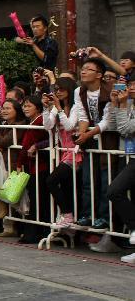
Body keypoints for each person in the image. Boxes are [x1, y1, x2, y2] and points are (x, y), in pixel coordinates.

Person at [70, 57, 114, 233]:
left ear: (99, 74)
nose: (83, 71)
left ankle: (104, 217)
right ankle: (88, 215)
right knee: (88, 180)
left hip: (108, 141)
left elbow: (107, 121)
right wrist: (82, 134)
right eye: (83, 68)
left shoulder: (109, 91)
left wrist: (87, 134)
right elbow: (83, 116)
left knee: (105, 181)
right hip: (90, 141)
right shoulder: (79, 91)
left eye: (89, 69)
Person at [41, 77, 83, 230]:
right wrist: (47, 108)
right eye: (57, 89)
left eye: (62, 89)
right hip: (64, 152)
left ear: (70, 90)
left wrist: (59, 108)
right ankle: (69, 219)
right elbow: (48, 125)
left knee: (51, 180)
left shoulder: (76, 107)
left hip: (76, 152)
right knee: (66, 186)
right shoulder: (55, 107)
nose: (58, 92)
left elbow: (69, 126)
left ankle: (68, 215)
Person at [14, 96, 50, 244]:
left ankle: (37, 232)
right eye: (24, 106)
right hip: (32, 165)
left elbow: (51, 139)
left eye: (29, 106)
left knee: (39, 199)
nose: (25, 108)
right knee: (34, 199)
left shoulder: (41, 121)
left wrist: (37, 146)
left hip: (41, 165)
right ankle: (33, 231)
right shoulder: (33, 122)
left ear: (37, 107)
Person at [108, 77, 135, 263]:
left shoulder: (129, 105)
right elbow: (113, 126)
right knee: (116, 191)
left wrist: (123, 105)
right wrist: (115, 104)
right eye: (130, 85)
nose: (131, 88)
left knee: (115, 190)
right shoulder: (130, 105)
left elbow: (125, 129)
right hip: (132, 158)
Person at [0, 98, 27, 237]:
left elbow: (4, 141)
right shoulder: (5, 124)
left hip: (15, 164)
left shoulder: (20, 125)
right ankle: (8, 225)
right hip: (4, 164)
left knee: (15, 195)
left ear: (16, 110)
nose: (4, 111)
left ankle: (19, 228)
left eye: (8, 108)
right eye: (3, 108)